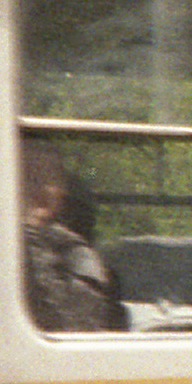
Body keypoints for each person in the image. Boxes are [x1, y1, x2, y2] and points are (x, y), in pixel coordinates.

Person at [20, 141, 123, 331]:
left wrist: (30, 232)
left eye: (47, 178)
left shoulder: (77, 255)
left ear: (62, 191)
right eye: (27, 177)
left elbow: (70, 325)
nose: (38, 188)